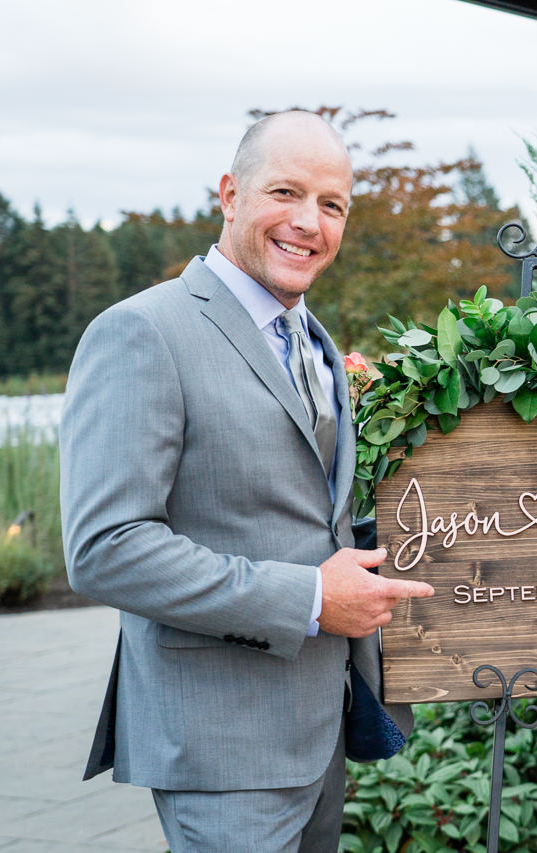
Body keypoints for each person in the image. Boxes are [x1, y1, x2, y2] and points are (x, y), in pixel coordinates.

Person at [61, 110, 434, 852]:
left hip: (321, 726)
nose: (309, 222)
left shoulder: (315, 340)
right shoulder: (143, 332)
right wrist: (312, 597)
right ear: (230, 194)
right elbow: (106, 547)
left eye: (332, 206)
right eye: (286, 193)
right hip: (220, 740)